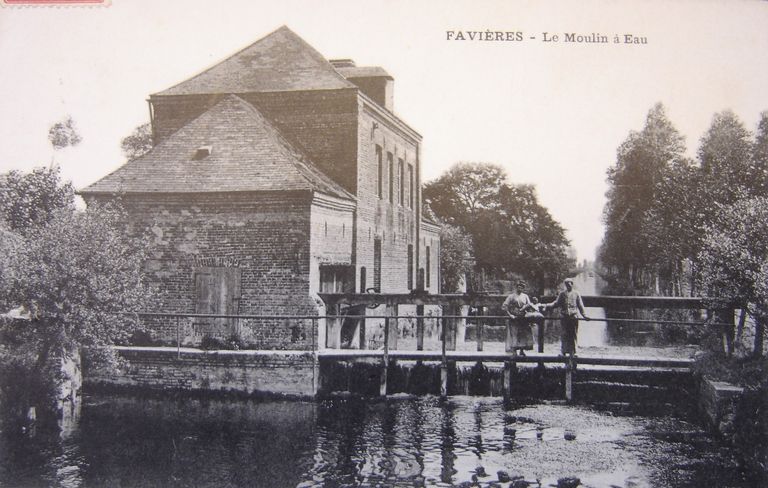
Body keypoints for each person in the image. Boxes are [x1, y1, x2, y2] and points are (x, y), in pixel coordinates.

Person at [545, 278, 590, 356]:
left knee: (573, 334)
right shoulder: (562, 294)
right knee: (564, 334)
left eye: (570, 284)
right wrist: (547, 306)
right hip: (564, 317)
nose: (568, 286)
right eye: (566, 284)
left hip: (573, 317)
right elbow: (556, 303)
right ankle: (564, 352)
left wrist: (585, 315)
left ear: (572, 284)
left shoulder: (576, 294)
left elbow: (580, 306)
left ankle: (573, 352)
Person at [502, 280, 535, 356]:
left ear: (523, 288)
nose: (520, 288)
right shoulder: (511, 296)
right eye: (518, 287)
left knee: (523, 334)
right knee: (514, 334)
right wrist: (510, 315)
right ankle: (514, 350)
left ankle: (522, 350)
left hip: (523, 318)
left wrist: (529, 309)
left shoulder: (525, 296)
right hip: (514, 318)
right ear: (516, 287)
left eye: (522, 287)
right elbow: (504, 306)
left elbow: (529, 306)